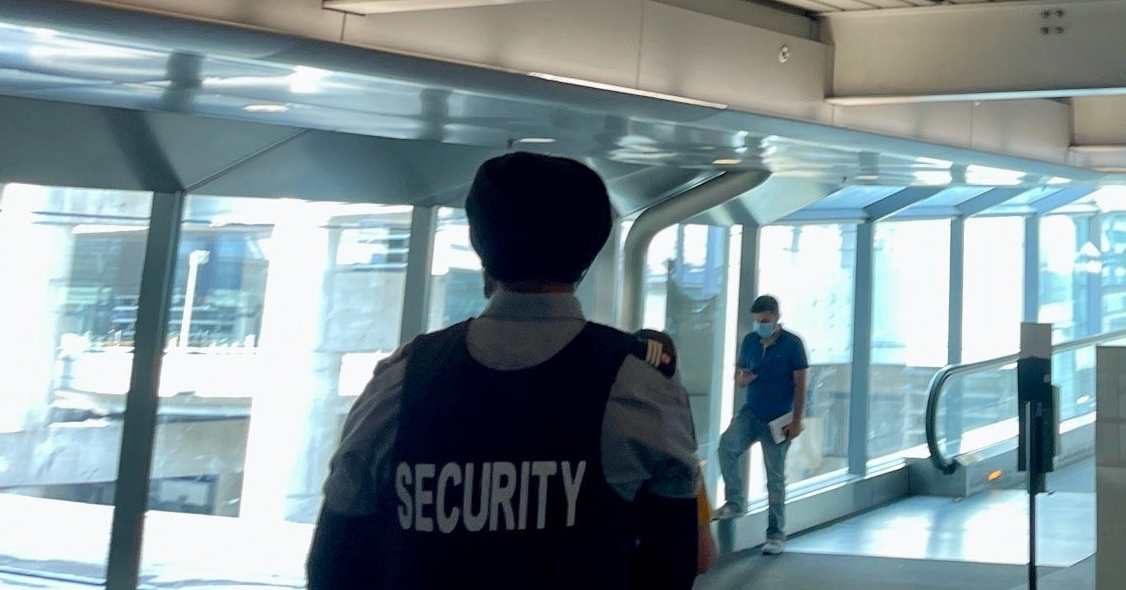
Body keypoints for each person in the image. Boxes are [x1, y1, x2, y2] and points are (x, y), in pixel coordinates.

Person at [306, 152, 709, 588]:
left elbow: (336, 557)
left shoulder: (400, 380)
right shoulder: (639, 385)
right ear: (591, 245)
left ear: (480, 241)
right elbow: (675, 559)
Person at [719, 294, 809, 556]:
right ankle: (735, 502)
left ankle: (775, 534)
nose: (761, 325)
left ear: (776, 317)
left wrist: (796, 420)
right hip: (751, 411)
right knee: (727, 446)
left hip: (778, 417)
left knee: (775, 478)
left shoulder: (792, 344)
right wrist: (742, 379)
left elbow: (801, 384)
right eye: (757, 321)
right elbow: (738, 375)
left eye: (765, 320)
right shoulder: (749, 341)